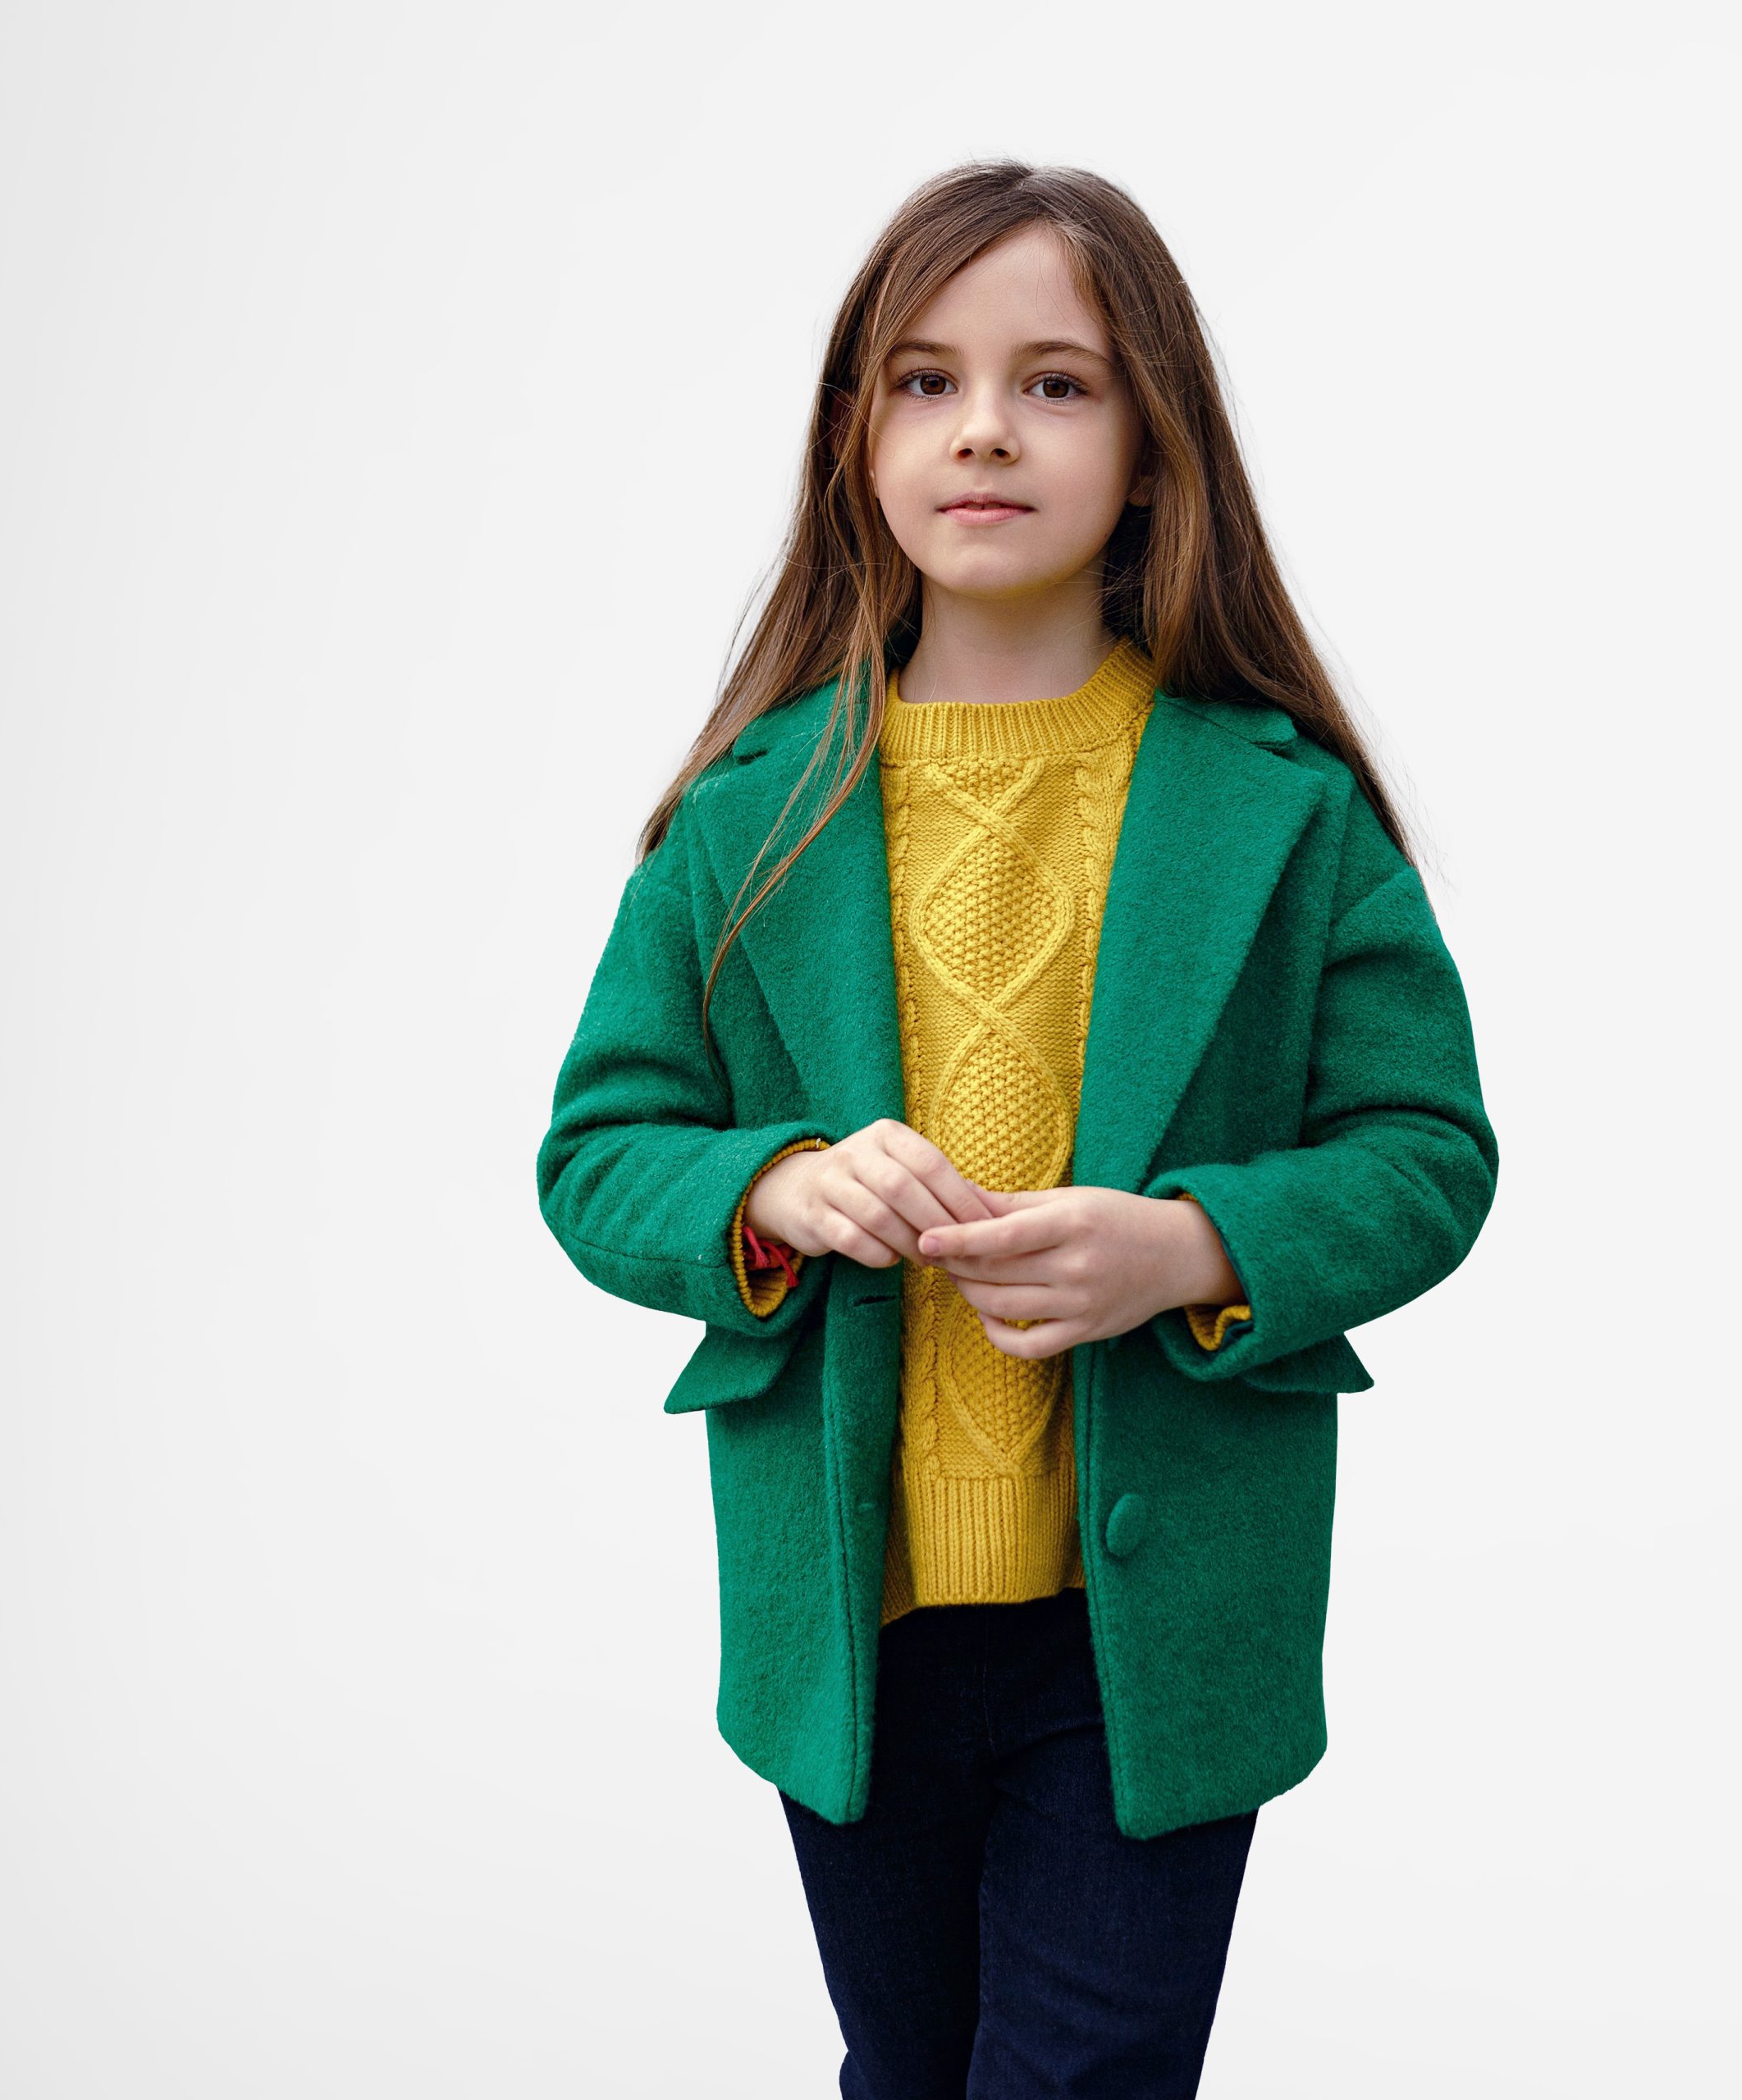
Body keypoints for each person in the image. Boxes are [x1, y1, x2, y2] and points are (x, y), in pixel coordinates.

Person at [537, 158, 1499, 2100]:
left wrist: (1193, 1245)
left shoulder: (1281, 808)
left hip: (1152, 1625)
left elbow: (1423, 1147)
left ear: (1151, 448)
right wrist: (773, 1185)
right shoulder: (748, 812)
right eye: (924, 380)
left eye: (1054, 382)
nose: (982, 427)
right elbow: (599, 1147)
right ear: (857, 439)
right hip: (854, 1617)